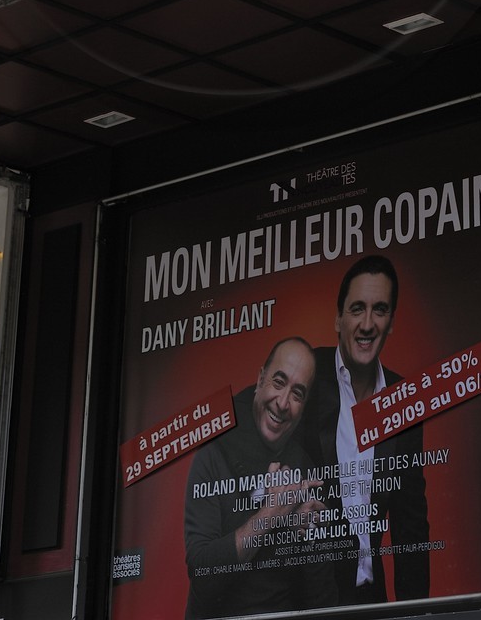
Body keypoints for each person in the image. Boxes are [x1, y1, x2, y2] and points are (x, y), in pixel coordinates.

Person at [300, 256, 430, 604]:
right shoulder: (307, 376)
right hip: (306, 602)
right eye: (357, 309)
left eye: (380, 310)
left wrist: (415, 613)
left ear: (391, 323)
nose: (368, 324)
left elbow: (411, 526)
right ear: (338, 318)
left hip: (371, 600)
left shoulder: (403, 399)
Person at [184, 337, 336, 618]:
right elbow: (202, 575)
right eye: (278, 383)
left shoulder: (307, 471)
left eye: (297, 394)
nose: (283, 402)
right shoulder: (214, 451)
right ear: (260, 379)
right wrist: (272, 514)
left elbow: (322, 598)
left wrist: (307, 536)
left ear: (304, 408)